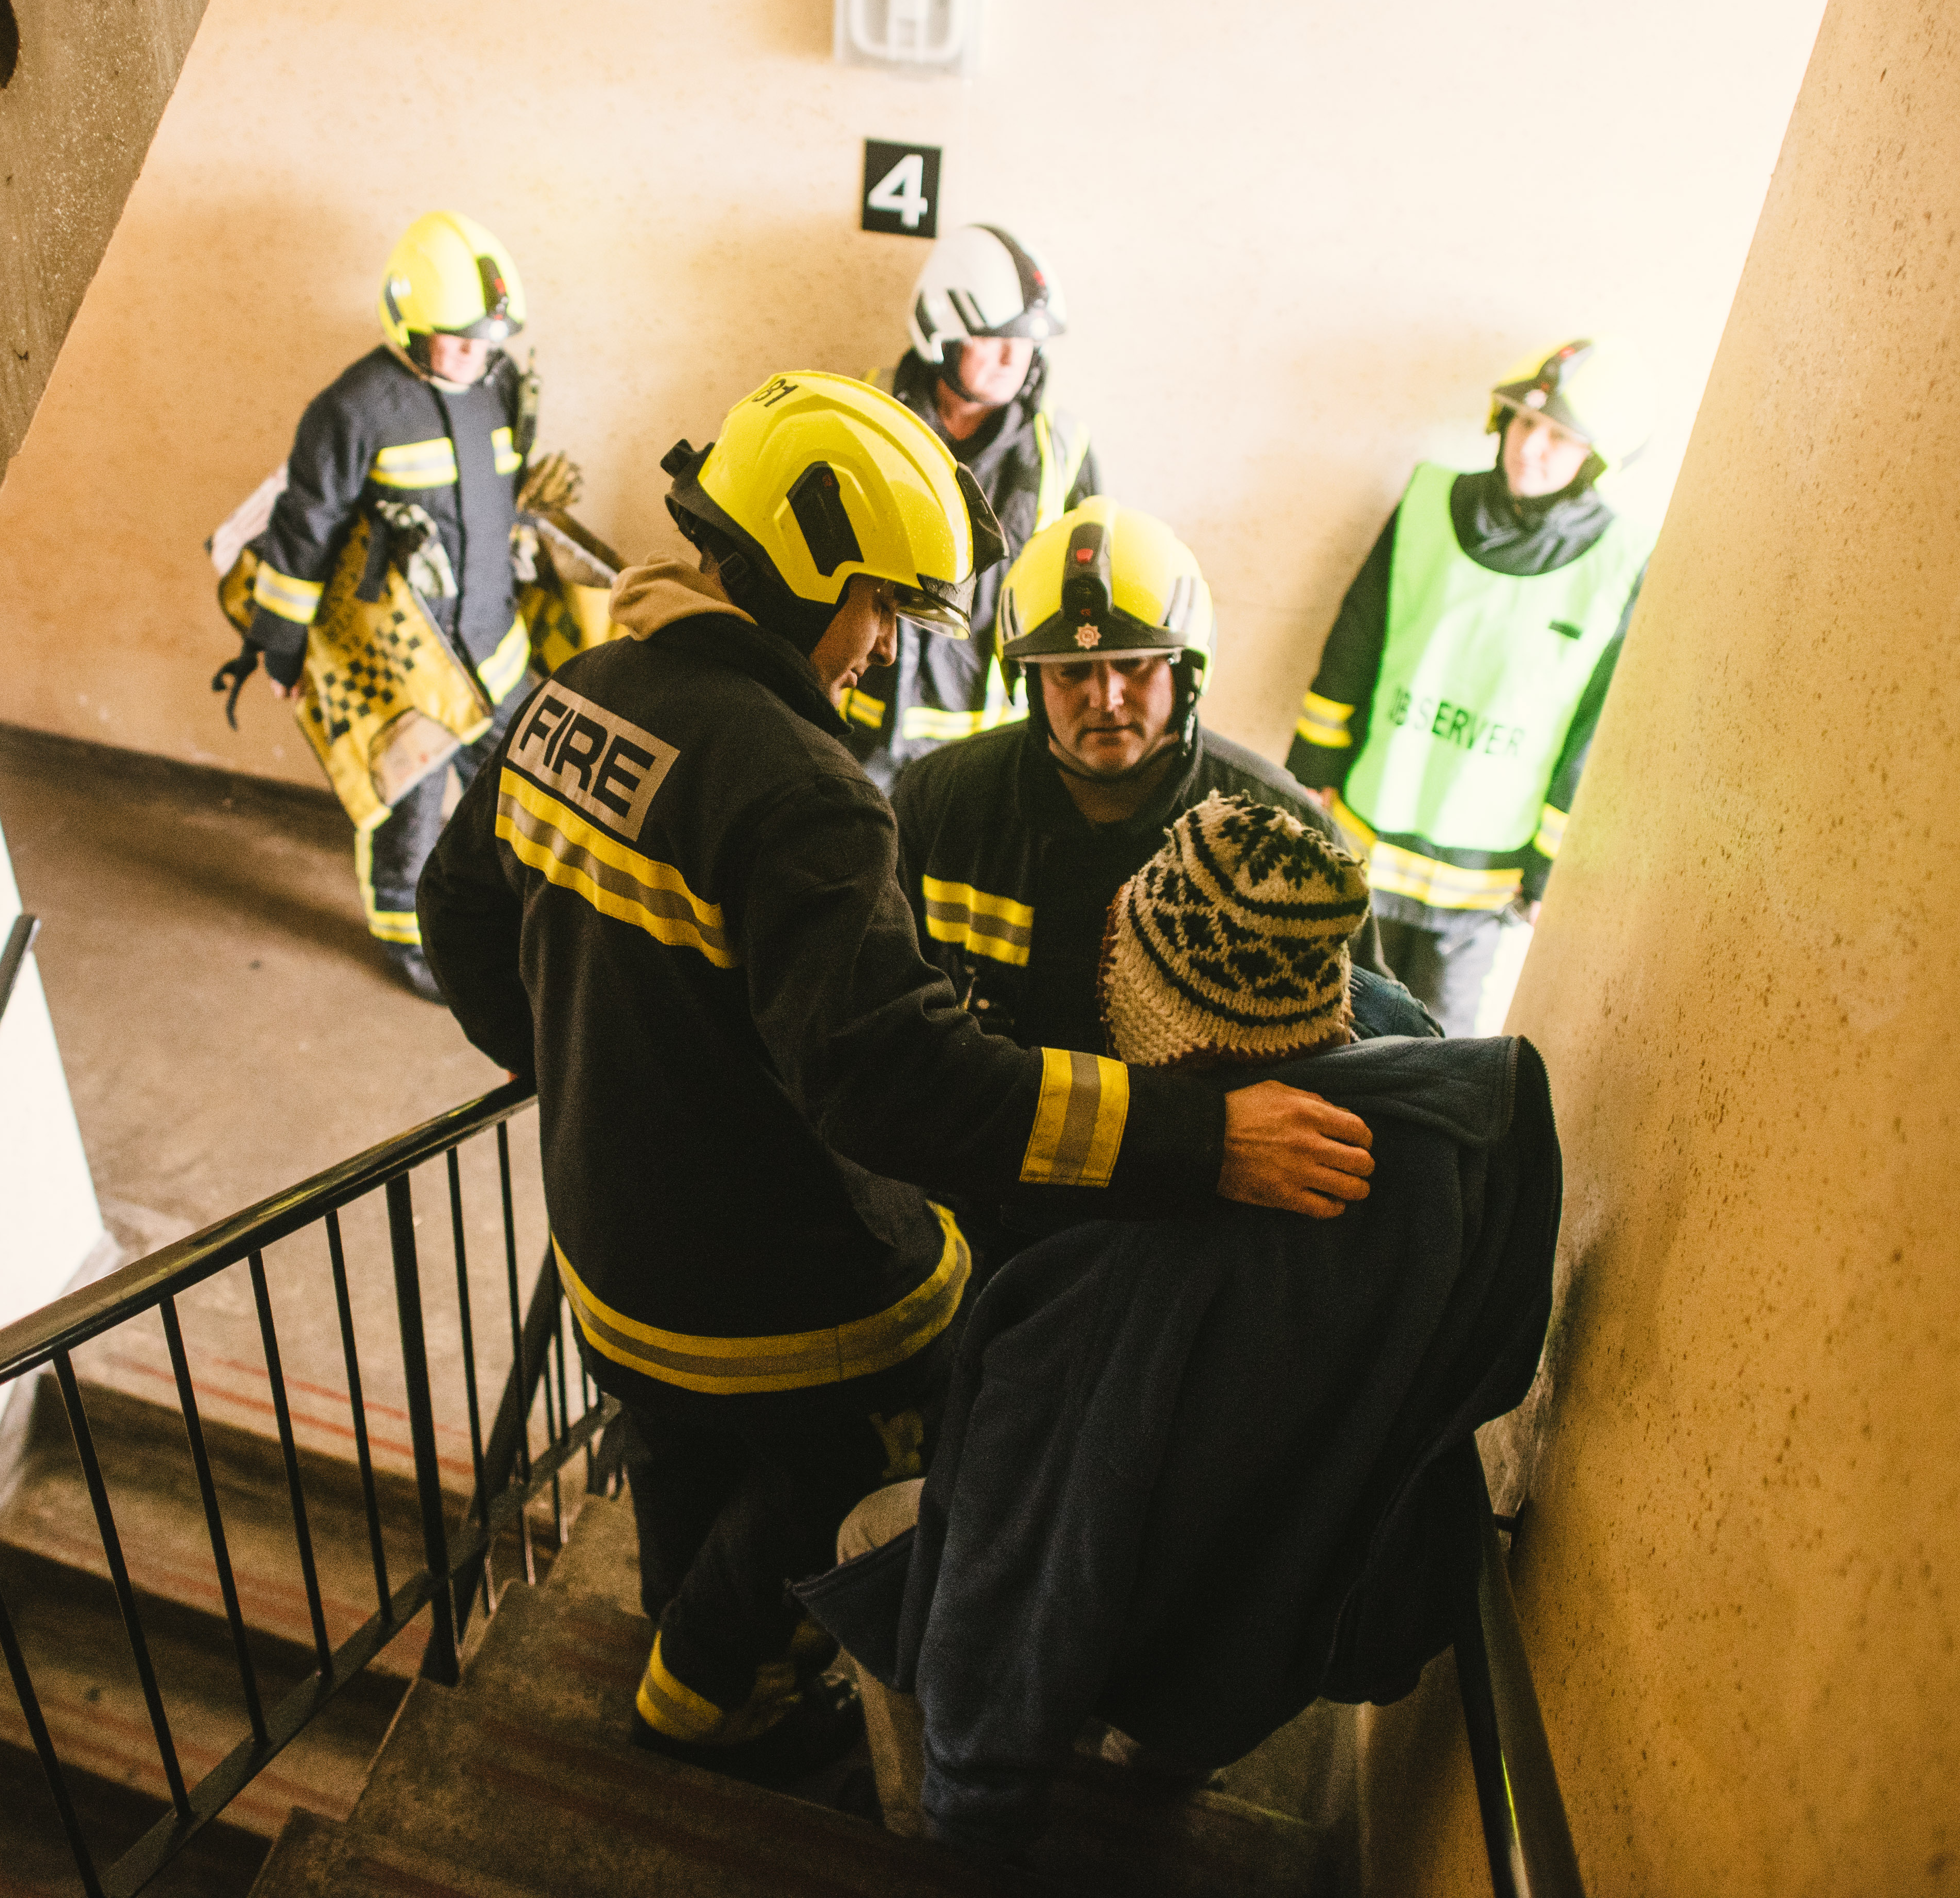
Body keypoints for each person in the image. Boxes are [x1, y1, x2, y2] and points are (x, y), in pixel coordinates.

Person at [416, 372, 1378, 1786]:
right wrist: (1199, 1141)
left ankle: (675, 1634)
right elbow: (904, 1089)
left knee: (679, 1461)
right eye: (878, 608)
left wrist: (601, 1074)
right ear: (810, 571)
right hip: (772, 1294)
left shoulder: (575, 695)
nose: (879, 655)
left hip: (608, 1257)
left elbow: (458, 916)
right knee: (922, 1387)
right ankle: (707, 1699)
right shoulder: (804, 788)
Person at [797, 797, 1562, 1857]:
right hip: (1283, 1611)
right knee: (1200, 1609)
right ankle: (1157, 1769)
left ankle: (917, 1828)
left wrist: (971, 1805)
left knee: (870, 1531)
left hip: (1138, 1601)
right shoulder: (1441, 1109)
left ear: (1161, 1022)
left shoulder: (1116, 1295)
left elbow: (1015, 1583)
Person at [894, 501, 1429, 1284]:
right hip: (976, 1222)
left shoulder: (1274, 829)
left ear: (1186, 672)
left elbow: (1361, 1067)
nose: (1105, 697)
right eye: (1071, 671)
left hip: (1186, 1240)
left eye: (1136, 664)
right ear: (1028, 682)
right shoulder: (941, 805)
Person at [1286, 338, 1659, 1031]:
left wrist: (1550, 871)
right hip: (1368, 833)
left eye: (1558, 437)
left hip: (1482, 880)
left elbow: (1595, 727)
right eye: (1524, 424)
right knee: (1325, 1031)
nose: (1531, 449)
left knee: (1440, 1060)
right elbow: (1356, 636)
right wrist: (1311, 768)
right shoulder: (1431, 500)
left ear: (1595, 460)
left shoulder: (1624, 562)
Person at [214, 211, 538, 1001]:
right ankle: (410, 946)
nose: (475, 356)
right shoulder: (353, 409)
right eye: (458, 339)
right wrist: (280, 649)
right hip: (407, 674)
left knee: (523, 795)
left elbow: (496, 500)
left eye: (489, 341)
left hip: (497, 653)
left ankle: (520, 928)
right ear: (407, 320)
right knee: (406, 813)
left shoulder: (497, 384)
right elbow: (302, 539)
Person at [841, 223, 1098, 786]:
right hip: (855, 736)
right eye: (992, 335)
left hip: (993, 759)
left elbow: (1090, 606)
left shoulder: (1063, 450)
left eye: (1029, 339)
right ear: (941, 330)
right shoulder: (861, 413)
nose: (1014, 356)